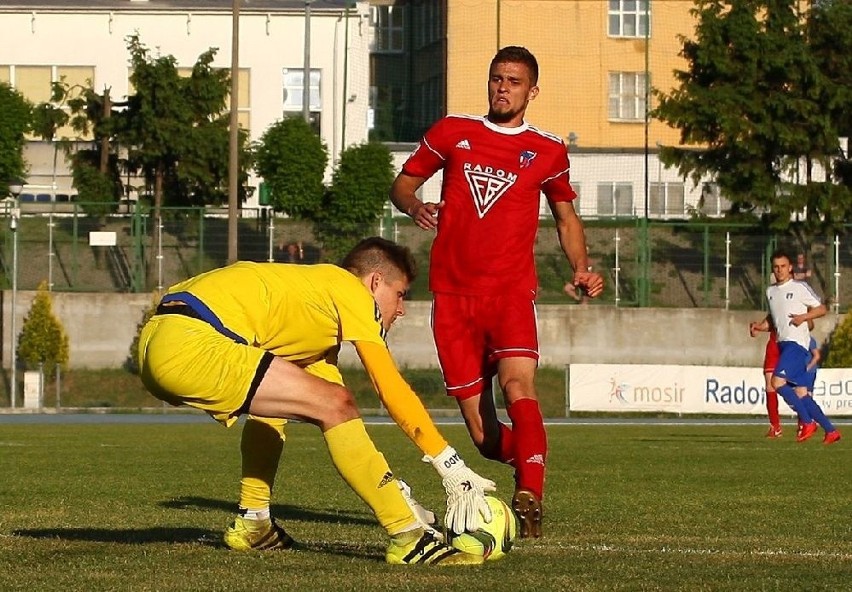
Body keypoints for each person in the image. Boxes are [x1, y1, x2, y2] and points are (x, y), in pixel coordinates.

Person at [137, 237, 496, 565]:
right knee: (334, 403)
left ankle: (254, 521)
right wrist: (450, 465)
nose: (401, 309)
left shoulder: (312, 305)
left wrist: (400, 492)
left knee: (291, 408)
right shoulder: (349, 290)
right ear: (374, 282)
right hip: (193, 342)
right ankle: (409, 538)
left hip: (160, 340)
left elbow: (339, 415)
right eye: (400, 294)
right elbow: (387, 385)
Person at [388, 45, 604, 539]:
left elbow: (566, 218)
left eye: (513, 81)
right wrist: (412, 206)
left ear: (532, 91)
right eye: (496, 79)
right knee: (485, 439)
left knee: (518, 388)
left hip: (510, 294)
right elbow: (402, 184)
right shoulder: (453, 132)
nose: (502, 88)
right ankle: (532, 455)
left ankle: (530, 492)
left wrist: (582, 268)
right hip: (453, 298)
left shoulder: (548, 150)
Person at [748, 249, 827, 443]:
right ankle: (826, 429)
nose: (780, 270)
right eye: (776, 267)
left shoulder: (799, 287)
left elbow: (821, 309)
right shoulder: (771, 291)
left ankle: (806, 422)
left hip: (797, 346)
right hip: (780, 344)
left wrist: (805, 317)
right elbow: (775, 319)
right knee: (782, 386)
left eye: (783, 266)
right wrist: (760, 326)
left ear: (790, 268)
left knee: (778, 383)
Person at [800, 337, 842, 445]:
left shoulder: (807, 339)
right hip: (799, 372)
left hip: (806, 373)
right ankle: (810, 426)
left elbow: (816, 355)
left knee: (803, 397)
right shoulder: (796, 337)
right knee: (801, 397)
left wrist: (807, 368)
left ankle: (809, 425)